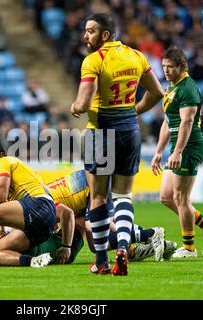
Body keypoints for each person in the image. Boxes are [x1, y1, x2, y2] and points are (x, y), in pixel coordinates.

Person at [70, 13, 164, 275]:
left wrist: (75, 106)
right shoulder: (136, 56)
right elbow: (157, 92)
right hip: (130, 131)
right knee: (124, 196)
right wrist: (135, 110)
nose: (85, 35)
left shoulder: (93, 61)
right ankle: (122, 247)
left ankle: (101, 261)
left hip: (100, 133)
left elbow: (83, 103)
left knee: (99, 197)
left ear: (105, 35)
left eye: (90, 31)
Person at [151, 47, 203, 258]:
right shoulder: (171, 88)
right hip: (176, 148)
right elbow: (168, 122)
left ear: (182, 67)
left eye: (170, 67)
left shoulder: (188, 89)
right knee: (166, 197)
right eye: (164, 66)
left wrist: (178, 152)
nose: (165, 71)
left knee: (181, 198)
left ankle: (189, 248)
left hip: (189, 147)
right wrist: (159, 151)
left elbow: (187, 121)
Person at [0, 142, 57, 268]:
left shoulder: (2, 162)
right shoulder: (12, 172)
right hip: (44, 223)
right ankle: (34, 261)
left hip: (39, 204)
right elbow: (5, 204)